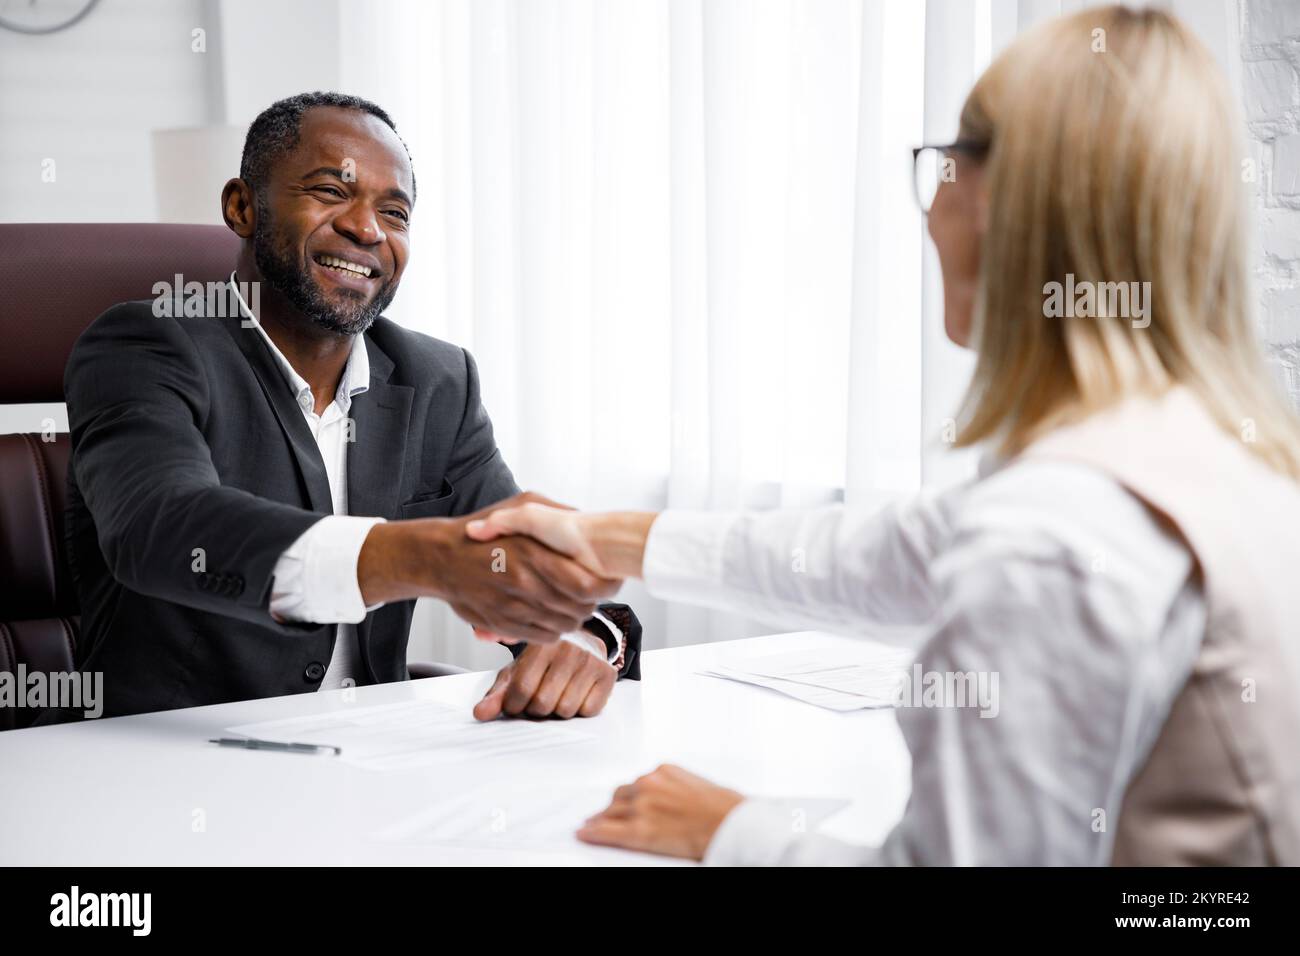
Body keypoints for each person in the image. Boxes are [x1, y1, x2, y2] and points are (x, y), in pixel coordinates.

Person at [465, 6, 1300, 864]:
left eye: (944, 167)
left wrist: (734, 830)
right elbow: (889, 552)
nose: (930, 209)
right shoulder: (1221, 462)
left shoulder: (1051, 534)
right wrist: (604, 540)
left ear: (1005, 205)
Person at [57, 92, 641, 723]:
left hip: (369, 759)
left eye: (395, 212)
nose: (367, 229)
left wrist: (581, 639)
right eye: (333, 192)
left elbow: (516, 558)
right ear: (242, 206)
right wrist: (426, 557)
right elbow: (162, 528)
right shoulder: (147, 346)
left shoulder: (439, 380)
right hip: (164, 764)